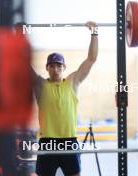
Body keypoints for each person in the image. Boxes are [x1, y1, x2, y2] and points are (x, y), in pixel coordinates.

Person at [32, 21, 98, 176]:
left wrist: (94, 32)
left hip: (69, 142)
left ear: (64, 68)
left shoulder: (72, 82)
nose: (56, 69)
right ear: (47, 68)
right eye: (52, 65)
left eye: (59, 66)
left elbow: (91, 59)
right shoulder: (40, 85)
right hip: (47, 142)